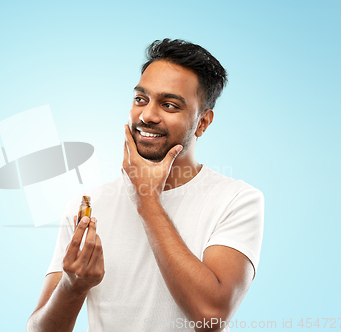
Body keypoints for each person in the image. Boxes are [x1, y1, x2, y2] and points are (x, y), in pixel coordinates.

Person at [27, 39, 264, 332]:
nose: (147, 116)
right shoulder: (86, 206)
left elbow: (211, 317)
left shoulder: (236, 200)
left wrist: (147, 201)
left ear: (203, 122)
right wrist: (72, 287)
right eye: (141, 99)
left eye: (169, 105)